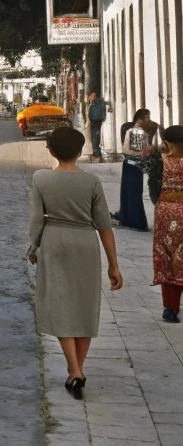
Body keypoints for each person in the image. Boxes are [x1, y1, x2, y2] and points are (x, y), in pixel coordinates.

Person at [29, 126, 123, 399]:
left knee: (60, 304)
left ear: (51, 151)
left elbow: (36, 220)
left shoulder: (41, 179)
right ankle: (76, 371)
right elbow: (104, 225)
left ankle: (75, 370)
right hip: (86, 243)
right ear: (80, 151)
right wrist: (113, 265)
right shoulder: (91, 182)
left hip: (53, 242)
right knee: (84, 306)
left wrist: (34, 246)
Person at [153, 125, 183, 323]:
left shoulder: (160, 162)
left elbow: (153, 191)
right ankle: (175, 305)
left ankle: (169, 307)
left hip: (164, 211)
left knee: (166, 256)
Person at [116, 109, 156, 231]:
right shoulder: (135, 131)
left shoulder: (141, 131)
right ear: (140, 119)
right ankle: (133, 220)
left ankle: (130, 218)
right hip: (133, 164)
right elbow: (132, 150)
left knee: (132, 191)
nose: (149, 120)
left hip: (134, 164)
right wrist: (145, 151)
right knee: (132, 191)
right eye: (147, 117)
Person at [86, 90, 107, 162]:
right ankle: (96, 154)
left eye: (89, 96)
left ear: (93, 95)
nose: (88, 98)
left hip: (95, 122)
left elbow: (95, 115)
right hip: (96, 122)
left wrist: (90, 121)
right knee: (95, 139)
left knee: (95, 139)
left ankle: (97, 155)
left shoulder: (96, 103)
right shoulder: (96, 102)